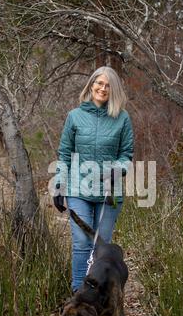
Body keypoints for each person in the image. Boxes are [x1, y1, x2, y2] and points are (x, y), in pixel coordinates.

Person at [53, 66, 134, 292]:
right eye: (99, 83)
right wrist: (59, 184)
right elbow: (64, 153)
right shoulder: (75, 116)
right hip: (78, 189)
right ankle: (79, 291)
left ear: (114, 89)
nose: (102, 88)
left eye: (108, 85)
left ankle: (97, 293)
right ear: (91, 85)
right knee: (81, 242)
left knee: (100, 247)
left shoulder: (122, 118)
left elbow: (126, 154)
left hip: (109, 192)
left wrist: (116, 170)